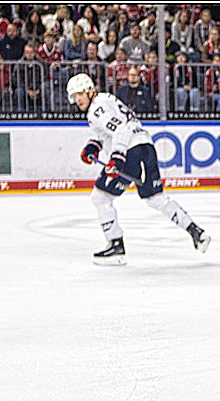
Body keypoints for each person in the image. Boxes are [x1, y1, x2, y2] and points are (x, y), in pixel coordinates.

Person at [67, 72, 209, 266]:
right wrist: (94, 146)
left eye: (80, 94)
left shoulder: (96, 109)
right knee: (156, 199)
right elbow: (109, 131)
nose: (77, 99)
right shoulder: (106, 100)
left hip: (129, 151)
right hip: (146, 147)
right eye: (74, 96)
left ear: (90, 90)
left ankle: (116, 246)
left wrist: (117, 156)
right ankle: (195, 231)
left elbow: (121, 130)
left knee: (100, 197)